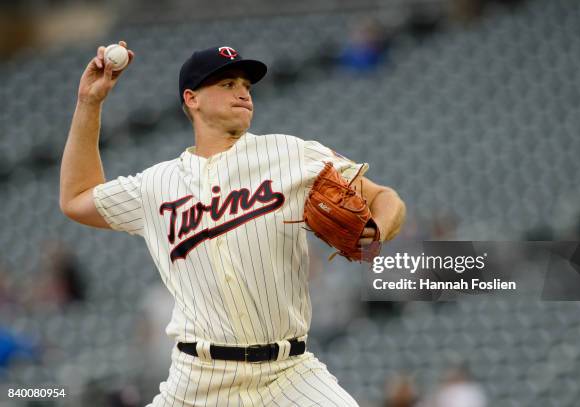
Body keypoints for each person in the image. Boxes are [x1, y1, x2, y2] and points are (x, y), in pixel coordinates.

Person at [60, 41, 406, 406]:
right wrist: (89, 102)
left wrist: (378, 229)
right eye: (227, 85)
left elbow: (385, 198)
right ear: (192, 99)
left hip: (288, 374)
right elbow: (77, 198)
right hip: (197, 380)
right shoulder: (155, 185)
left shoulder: (292, 154)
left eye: (246, 86)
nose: (242, 93)